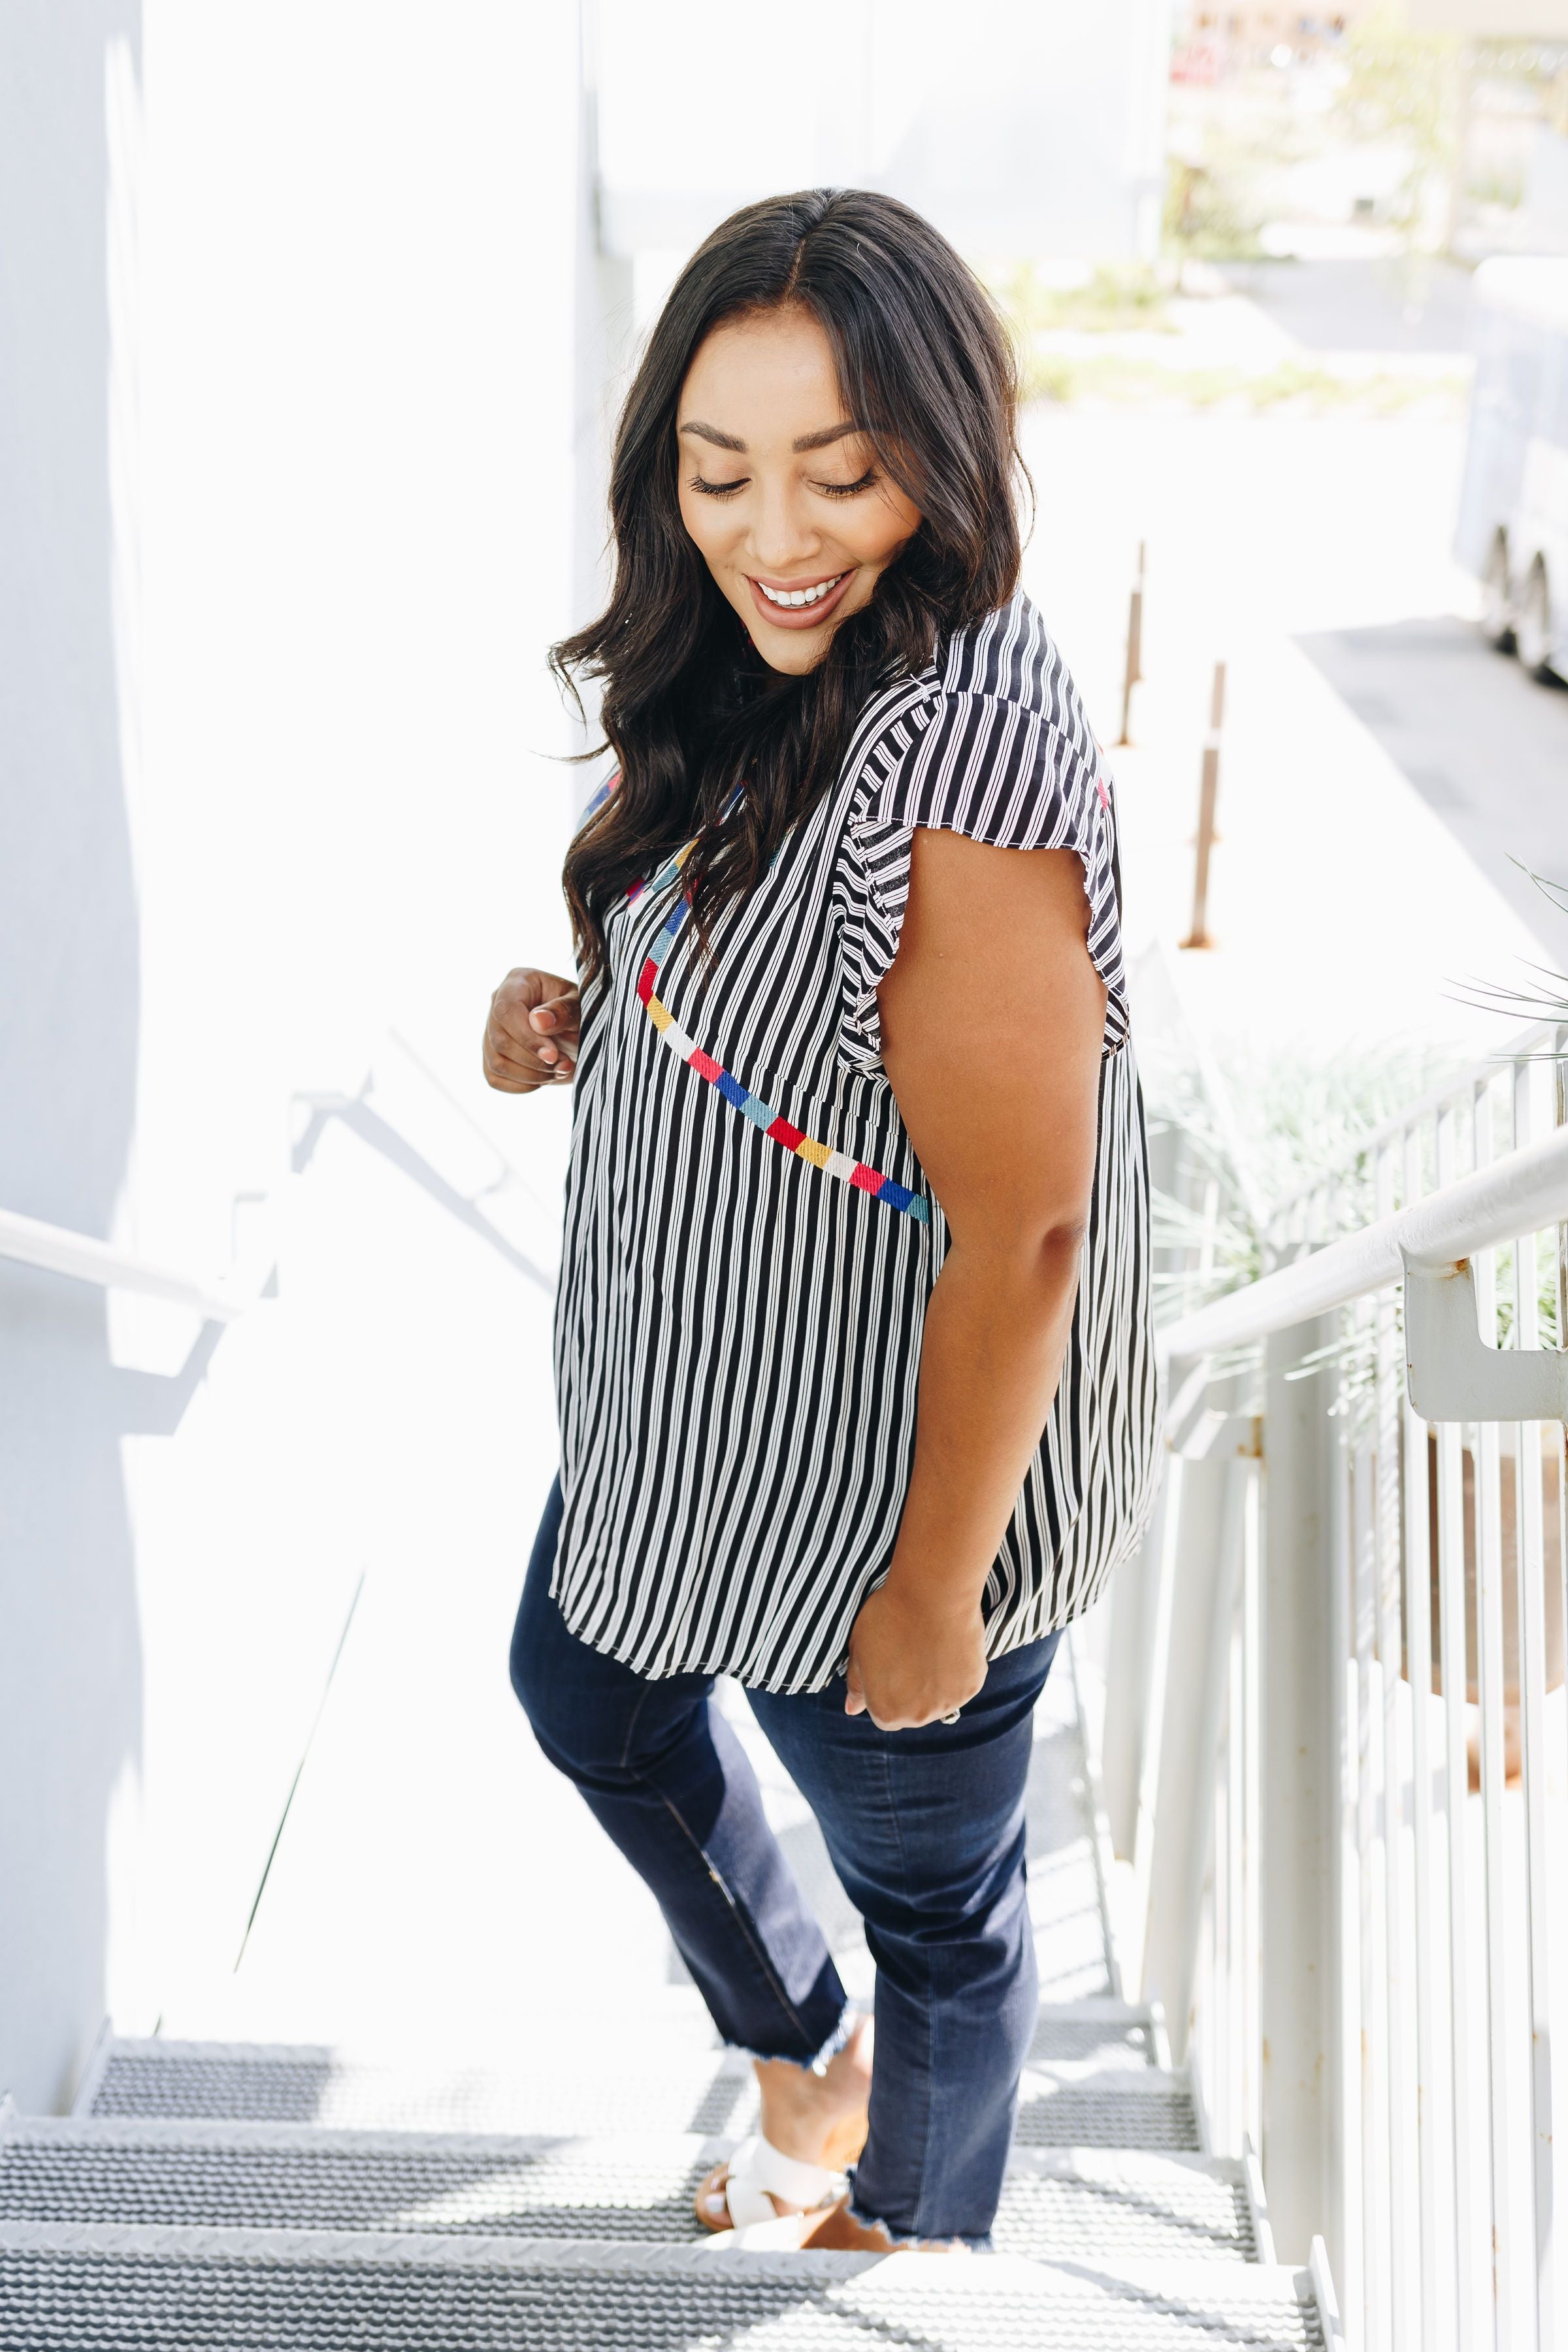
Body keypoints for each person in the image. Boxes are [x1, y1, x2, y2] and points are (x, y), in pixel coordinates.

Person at [485, 187, 1158, 2254]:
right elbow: (793, 973)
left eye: (839, 473)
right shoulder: (773, 640)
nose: (772, 530)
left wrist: (939, 1589)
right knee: (589, 1697)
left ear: (941, 455)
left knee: (938, 1917)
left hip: (880, 1487)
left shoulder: (964, 763)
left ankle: (907, 2252)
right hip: (693, 1414)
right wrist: (581, 1013)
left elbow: (1028, 1229)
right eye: (719, 472)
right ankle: (804, 2057)